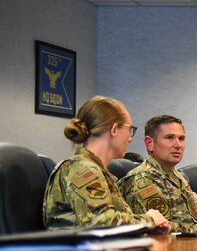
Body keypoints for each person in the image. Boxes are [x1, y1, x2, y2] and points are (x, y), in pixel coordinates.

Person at [43, 95, 170, 232]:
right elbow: (100, 222)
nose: (129, 139)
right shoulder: (83, 169)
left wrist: (149, 227)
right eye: (129, 130)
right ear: (114, 129)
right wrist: (148, 220)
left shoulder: (96, 169)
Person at [119, 115, 197, 236]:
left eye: (181, 139)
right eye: (169, 138)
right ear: (149, 143)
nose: (178, 145)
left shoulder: (178, 176)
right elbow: (162, 228)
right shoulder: (143, 179)